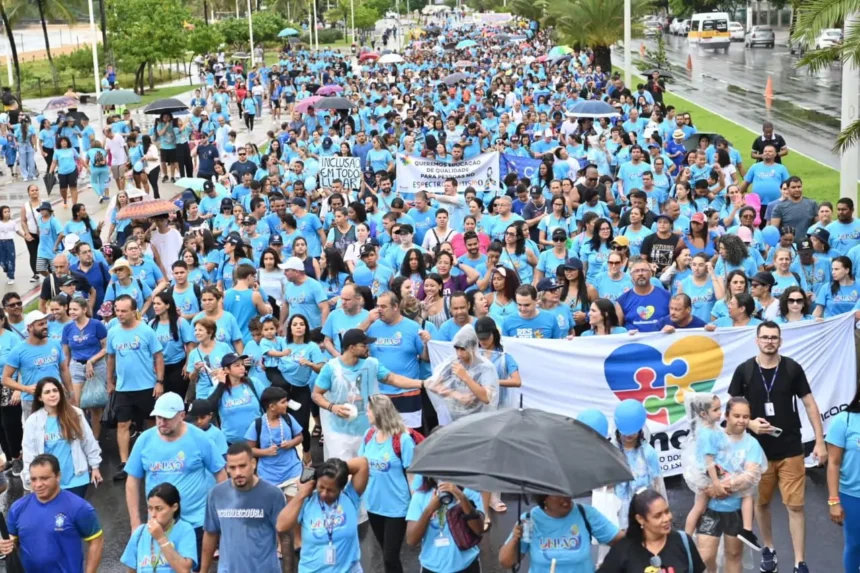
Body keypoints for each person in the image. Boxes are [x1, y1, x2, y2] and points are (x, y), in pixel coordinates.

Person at [728, 321, 827, 573]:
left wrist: (819, 441)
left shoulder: (792, 369)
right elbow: (731, 411)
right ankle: (769, 548)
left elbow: (810, 404)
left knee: (795, 506)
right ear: (757, 340)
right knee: (761, 504)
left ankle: (799, 562)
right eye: (765, 337)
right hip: (757, 452)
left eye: (774, 337)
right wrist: (750, 424)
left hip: (791, 449)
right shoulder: (745, 371)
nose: (769, 341)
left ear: (780, 341)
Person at [125, 392, 227, 566]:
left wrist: (223, 517)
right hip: (159, 523)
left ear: (182, 415)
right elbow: (132, 481)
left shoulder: (200, 438)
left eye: (167, 418)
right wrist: (135, 523)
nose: (161, 422)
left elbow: (221, 475)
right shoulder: (144, 440)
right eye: (158, 417)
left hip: (197, 523)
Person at [312, 328, 423, 461]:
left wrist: (422, 383)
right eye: (364, 345)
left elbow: (392, 379)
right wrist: (332, 407)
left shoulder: (372, 364)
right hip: (339, 434)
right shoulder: (331, 368)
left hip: (368, 431)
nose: (367, 348)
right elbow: (316, 395)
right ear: (352, 348)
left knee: (366, 472)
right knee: (342, 473)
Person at [694, 397, 768, 573]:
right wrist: (710, 488)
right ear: (726, 415)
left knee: (733, 554)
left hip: (736, 510)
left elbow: (751, 476)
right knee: (705, 556)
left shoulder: (752, 444)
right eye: (737, 415)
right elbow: (696, 468)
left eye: (745, 416)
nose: (742, 421)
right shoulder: (712, 436)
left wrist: (721, 486)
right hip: (709, 508)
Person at [681, 393, 760, 550]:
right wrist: (717, 483)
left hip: (712, 472)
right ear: (704, 414)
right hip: (708, 475)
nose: (720, 413)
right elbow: (709, 461)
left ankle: (746, 531)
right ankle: (686, 540)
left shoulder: (712, 429)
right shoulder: (708, 433)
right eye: (716, 410)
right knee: (699, 507)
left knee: (745, 493)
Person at [0, 454, 104, 572]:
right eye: (33, 479)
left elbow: (96, 540)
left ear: (58, 476)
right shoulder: (17, 508)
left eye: (44, 478)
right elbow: (12, 540)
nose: (38, 484)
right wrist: (4, 545)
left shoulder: (79, 507)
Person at [200, 442, 286, 573]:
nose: (237, 472)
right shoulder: (216, 494)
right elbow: (210, 533)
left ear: (253, 463)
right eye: (232, 468)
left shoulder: (273, 495)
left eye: (242, 466)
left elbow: (285, 537)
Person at [276, 457, 370, 573]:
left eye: (330, 490)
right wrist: (302, 494)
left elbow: (362, 464)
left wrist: (336, 469)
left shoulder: (350, 497)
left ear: (340, 487)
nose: (324, 493)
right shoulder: (307, 501)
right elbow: (281, 526)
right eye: (321, 487)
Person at [107, 295, 165, 481]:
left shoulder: (146, 331)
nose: (120, 314)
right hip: (123, 389)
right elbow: (110, 357)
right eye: (117, 310)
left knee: (150, 423)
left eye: (124, 311)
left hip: (147, 386)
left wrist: (159, 382)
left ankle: (153, 458)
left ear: (134, 312)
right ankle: (125, 463)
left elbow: (158, 357)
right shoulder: (113, 331)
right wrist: (109, 381)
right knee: (122, 424)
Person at [500, 492, 623, 572]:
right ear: (544, 498)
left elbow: (618, 540)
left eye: (567, 494)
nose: (565, 500)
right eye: (557, 496)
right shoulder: (530, 520)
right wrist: (515, 539)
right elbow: (506, 562)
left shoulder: (586, 514)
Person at [22, 377, 102, 498]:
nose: (52, 395)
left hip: (77, 479)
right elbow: (29, 452)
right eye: (47, 392)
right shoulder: (33, 421)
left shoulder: (76, 414)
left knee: (74, 515)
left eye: (55, 390)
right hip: (49, 482)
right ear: (40, 397)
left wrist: (95, 467)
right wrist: (31, 480)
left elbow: (88, 441)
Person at [598, 489, 706, 573]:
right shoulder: (623, 550)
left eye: (667, 511)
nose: (666, 518)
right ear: (640, 519)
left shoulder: (683, 541)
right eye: (658, 516)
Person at [3, 309, 74, 421]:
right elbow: (5, 379)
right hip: (32, 401)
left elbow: (64, 370)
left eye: (46, 323)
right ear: (30, 327)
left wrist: (71, 393)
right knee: (35, 436)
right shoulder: (18, 351)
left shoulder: (55, 344)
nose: (45, 326)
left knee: (61, 432)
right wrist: (24, 388)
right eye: (41, 324)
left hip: (56, 397)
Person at [405, 474, 485, 573]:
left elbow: (479, 529)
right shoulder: (421, 496)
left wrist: (462, 497)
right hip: (432, 566)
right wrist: (429, 509)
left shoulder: (469, 492)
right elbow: (411, 540)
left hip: (466, 564)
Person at [120, 483, 199, 573]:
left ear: (174, 507)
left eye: (159, 508)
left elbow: (184, 570)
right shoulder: (140, 532)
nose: (153, 514)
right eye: (150, 508)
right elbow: (131, 570)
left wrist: (161, 539)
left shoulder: (185, 530)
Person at [825, 378, 860, 572]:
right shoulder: (844, 420)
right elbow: (833, 464)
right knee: (855, 545)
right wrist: (833, 501)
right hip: (853, 497)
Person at [613, 400, 665, 529]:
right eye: (625, 430)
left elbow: (657, 484)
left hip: (643, 510)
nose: (629, 435)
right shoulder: (611, 451)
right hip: (618, 513)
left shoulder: (648, 453)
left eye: (633, 430)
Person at [245, 386, 303, 498]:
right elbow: (249, 450)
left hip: (292, 471)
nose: (286, 404)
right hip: (268, 475)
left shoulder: (288, 418)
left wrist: (291, 443)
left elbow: (300, 437)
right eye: (283, 402)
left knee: (292, 509)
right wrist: (266, 452)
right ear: (272, 406)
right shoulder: (257, 424)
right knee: (275, 510)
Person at [616, 257, 671, 332]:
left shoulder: (667, 296)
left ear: (651, 273)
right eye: (636, 271)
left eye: (644, 270)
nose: (640, 273)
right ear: (631, 275)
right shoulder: (622, 301)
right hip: (634, 342)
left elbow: (675, 322)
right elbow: (617, 330)